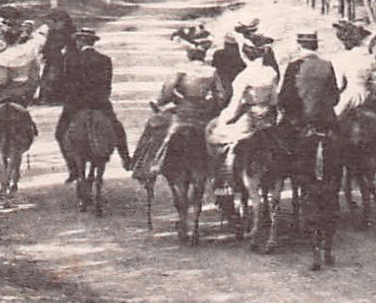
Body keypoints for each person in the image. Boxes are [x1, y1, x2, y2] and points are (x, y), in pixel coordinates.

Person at [132, 27, 229, 183]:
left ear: (189, 54)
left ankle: (149, 166)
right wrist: (211, 104)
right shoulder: (212, 71)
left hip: (183, 112)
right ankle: (222, 174)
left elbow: (167, 92)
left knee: (155, 126)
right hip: (204, 114)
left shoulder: (180, 69)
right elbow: (221, 96)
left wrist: (161, 102)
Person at [206, 35, 281, 199]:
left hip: (248, 119)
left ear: (245, 54)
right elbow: (274, 99)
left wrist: (227, 119)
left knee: (215, 137)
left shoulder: (243, 76)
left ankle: (224, 182)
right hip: (267, 119)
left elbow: (236, 104)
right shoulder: (271, 72)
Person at [54, 28, 132, 181]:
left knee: (60, 133)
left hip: (76, 105)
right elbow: (107, 85)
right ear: (92, 42)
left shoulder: (71, 60)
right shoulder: (105, 59)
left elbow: (65, 84)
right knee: (116, 127)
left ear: (80, 41)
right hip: (99, 103)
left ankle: (73, 169)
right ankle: (126, 158)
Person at [0, 24, 48, 151]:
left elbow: (1, 80)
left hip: (6, 92)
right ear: (19, 38)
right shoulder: (29, 51)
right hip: (24, 91)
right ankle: (31, 132)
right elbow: (35, 75)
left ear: (5, 39)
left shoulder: (4, 55)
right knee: (24, 112)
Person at [278, 30, 339, 133]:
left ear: (299, 46)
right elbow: (335, 97)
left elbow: (285, 96)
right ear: (316, 46)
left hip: (299, 120)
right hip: (323, 120)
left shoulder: (294, 66)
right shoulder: (327, 65)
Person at [329, 20, 376, 118]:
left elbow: (339, 85)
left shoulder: (342, 58)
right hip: (367, 96)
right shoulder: (370, 57)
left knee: (332, 120)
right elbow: (375, 83)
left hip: (350, 97)